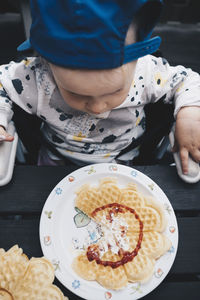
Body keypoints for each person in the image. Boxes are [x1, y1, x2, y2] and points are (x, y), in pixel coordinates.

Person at [0, 0, 200, 175]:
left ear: (137, 60)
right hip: (55, 160)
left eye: (114, 91)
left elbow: (187, 80)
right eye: (76, 93)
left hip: (123, 158)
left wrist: (190, 114)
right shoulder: (37, 76)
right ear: (45, 62)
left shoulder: (146, 72)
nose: (97, 108)